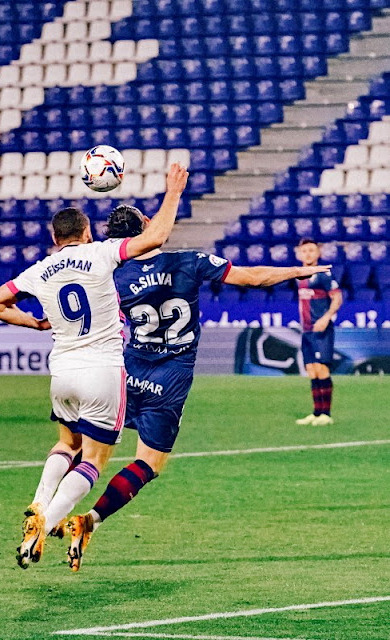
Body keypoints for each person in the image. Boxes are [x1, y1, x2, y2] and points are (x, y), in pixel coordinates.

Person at [66, 206, 334, 571]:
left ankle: (49, 511)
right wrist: (296, 272)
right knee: (148, 463)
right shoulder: (190, 261)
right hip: (170, 379)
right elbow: (253, 278)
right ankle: (91, 520)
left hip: (126, 372)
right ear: (148, 227)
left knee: (90, 455)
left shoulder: (110, 273)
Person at [0, 163, 189, 568]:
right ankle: (48, 520)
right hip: (102, 371)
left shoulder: (40, 269)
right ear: (88, 232)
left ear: (54, 238)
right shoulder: (101, 253)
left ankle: (39, 503)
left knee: (66, 444)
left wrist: (35, 322)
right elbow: (156, 236)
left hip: (61, 371)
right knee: (94, 459)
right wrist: (173, 192)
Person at [295, 238, 343, 427]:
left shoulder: (323, 275)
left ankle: (326, 413)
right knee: (312, 370)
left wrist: (326, 318)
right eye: (304, 250)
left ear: (318, 254)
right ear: (299, 254)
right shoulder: (299, 276)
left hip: (320, 329)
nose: (307, 254)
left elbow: (337, 298)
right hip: (306, 330)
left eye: (311, 250)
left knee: (322, 369)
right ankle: (316, 413)